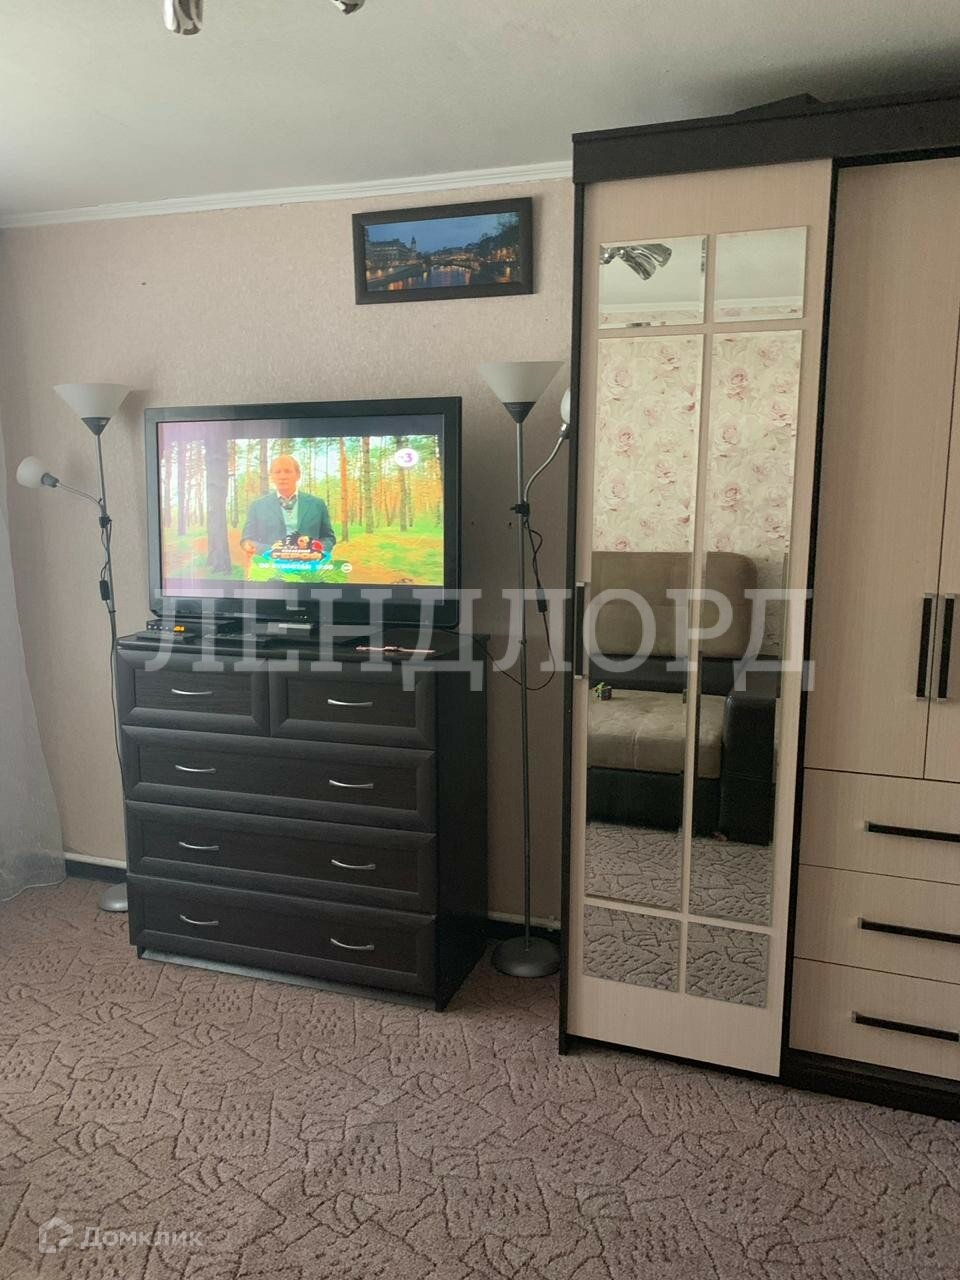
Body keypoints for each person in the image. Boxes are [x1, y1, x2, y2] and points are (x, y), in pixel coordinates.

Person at [240, 454, 336, 558]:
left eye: (287, 471)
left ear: (298, 475)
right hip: (270, 565)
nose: (282, 476)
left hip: (310, 565)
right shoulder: (257, 506)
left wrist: (315, 549)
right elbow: (247, 541)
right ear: (271, 476)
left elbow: (328, 538)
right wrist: (271, 550)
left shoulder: (317, 504)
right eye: (277, 472)